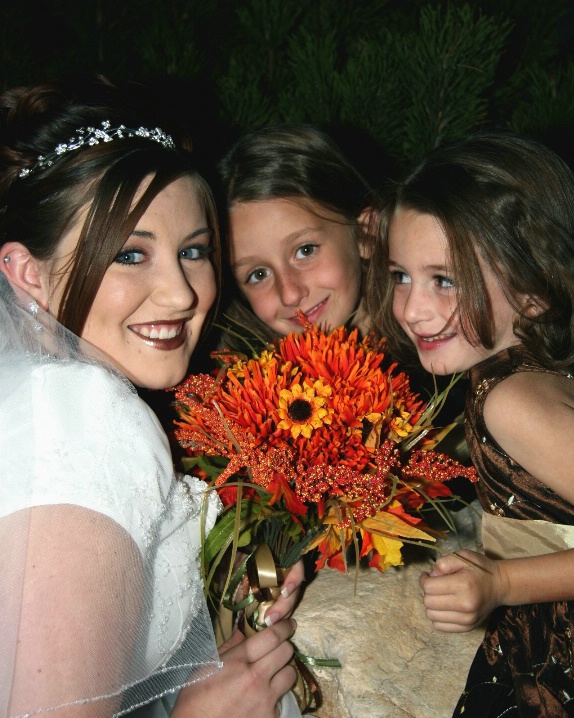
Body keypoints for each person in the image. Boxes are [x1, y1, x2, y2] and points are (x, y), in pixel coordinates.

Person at [0, 75, 303, 718]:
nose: (182, 293)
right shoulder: (83, 418)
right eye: (131, 255)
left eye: (193, 251)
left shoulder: (32, 400)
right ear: (28, 274)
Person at [368, 129, 574, 716]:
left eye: (446, 279)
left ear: (532, 291)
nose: (411, 308)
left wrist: (502, 584)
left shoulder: (513, 402)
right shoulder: (515, 372)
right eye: (400, 274)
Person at [217, 123, 380, 347]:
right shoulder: (244, 377)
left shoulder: (433, 356)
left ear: (364, 232)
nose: (290, 295)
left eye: (305, 250)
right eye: (258, 274)